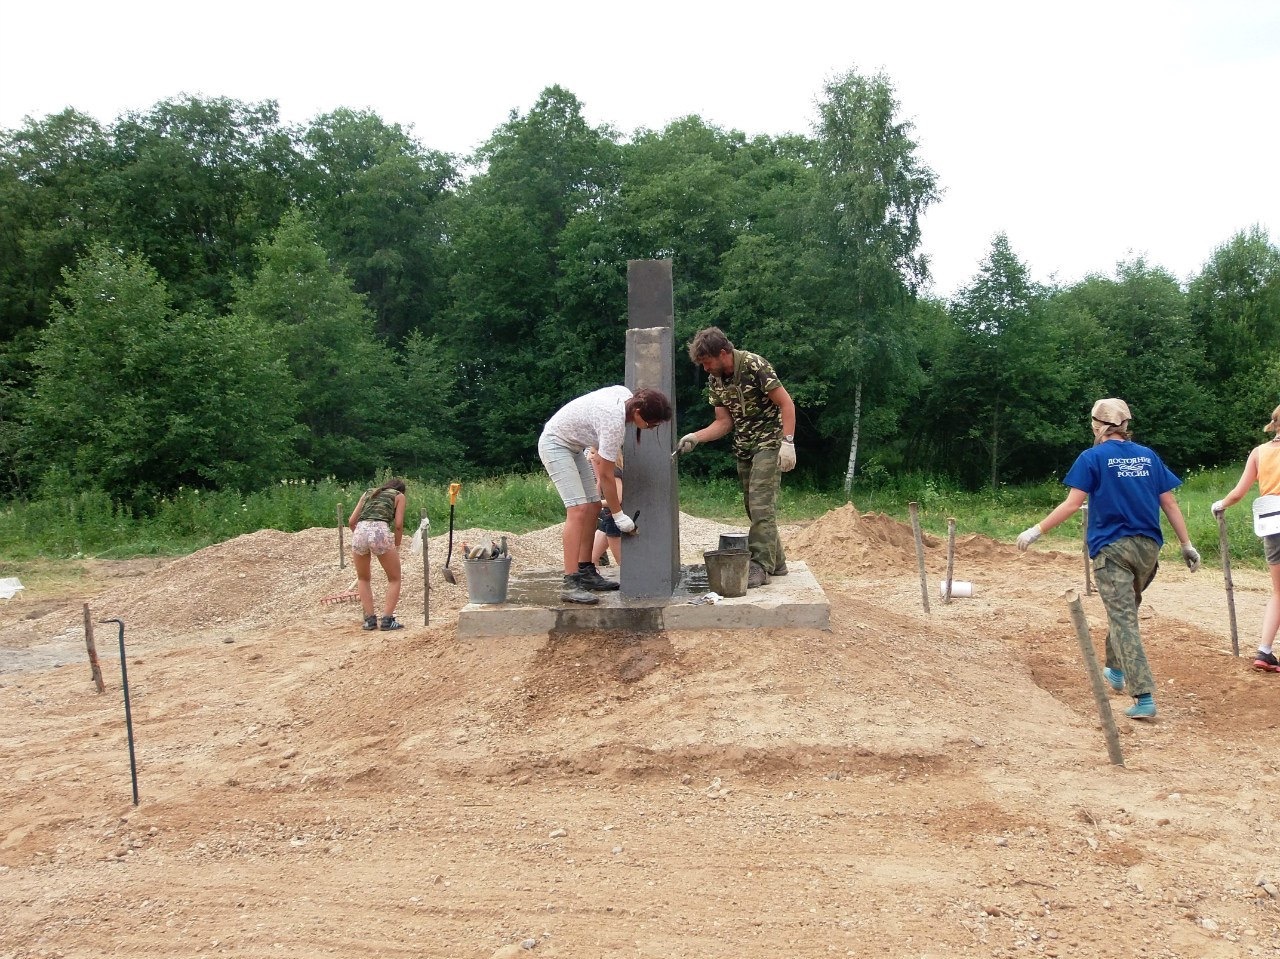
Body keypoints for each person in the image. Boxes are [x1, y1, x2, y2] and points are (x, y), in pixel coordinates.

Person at [1017, 399, 1200, 720]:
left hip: (1112, 551)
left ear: (1096, 425)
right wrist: (1186, 544)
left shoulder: (1092, 458)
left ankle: (1143, 696)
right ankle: (1115, 669)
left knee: (1123, 618)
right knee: (1124, 611)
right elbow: (1169, 503)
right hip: (1148, 550)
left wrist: (1036, 529)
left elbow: (1073, 504)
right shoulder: (1148, 457)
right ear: (1125, 425)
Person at [675, 327, 796, 588]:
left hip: (770, 441)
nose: (706, 369)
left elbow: (786, 403)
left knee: (762, 504)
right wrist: (696, 436)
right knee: (752, 507)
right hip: (744, 446)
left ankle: (760, 567)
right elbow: (723, 423)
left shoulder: (754, 365)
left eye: (707, 362)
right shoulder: (716, 380)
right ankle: (778, 563)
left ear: (722, 353)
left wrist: (788, 443)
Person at [539, 386, 673, 605]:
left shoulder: (626, 395)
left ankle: (586, 571)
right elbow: (607, 475)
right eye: (651, 423)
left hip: (573, 446)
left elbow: (602, 463)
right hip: (555, 443)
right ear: (638, 413)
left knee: (592, 506)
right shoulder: (614, 422)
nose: (651, 428)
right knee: (578, 509)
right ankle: (570, 582)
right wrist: (619, 516)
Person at [1211, 404, 1280, 673]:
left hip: (1273, 524)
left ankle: (1264, 651)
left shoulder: (1259, 453)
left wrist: (1220, 504)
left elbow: (1239, 493)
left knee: (1278, 592)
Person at [347, 477, 407, 631]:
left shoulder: (369, 492)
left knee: (363, 578)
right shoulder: (399, 496)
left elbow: (351, 521)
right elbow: (399, 525)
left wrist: (362, 537)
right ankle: (387, 620)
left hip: (360, 531)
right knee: (394, 578)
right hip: (380, 531)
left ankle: (369, 620)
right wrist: (397, 546)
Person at [590, 448, 624, 569]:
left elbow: (618, 499)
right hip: (607, 518)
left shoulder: (614, 472)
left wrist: (596, 504)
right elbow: (597, 492)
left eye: (593, 453)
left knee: (622, 562)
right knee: (591, 559)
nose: (590, 457)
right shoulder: (606, 473)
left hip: (613, 519)